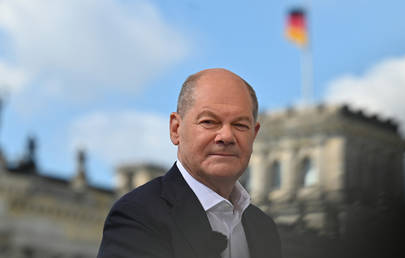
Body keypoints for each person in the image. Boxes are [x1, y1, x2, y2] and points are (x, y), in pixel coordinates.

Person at [97, 68, 282, 258]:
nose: (226, 136)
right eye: (209, 122)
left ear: (254, 134)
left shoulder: (263, 227)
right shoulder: (137, 215)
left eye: (240, 125)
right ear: (176, 129)